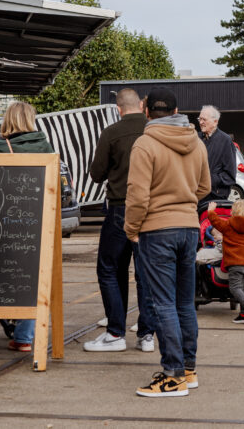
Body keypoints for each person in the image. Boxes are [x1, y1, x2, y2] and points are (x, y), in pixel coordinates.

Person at [125, 88, 210, 398]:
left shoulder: (145, 144)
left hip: (157, 230)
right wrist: (183, 203)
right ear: (176, 111)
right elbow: (205, 186)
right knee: (184, 303)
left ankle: (172, 377)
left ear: (146, 111)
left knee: (162, 303)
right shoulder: (196, 142)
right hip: (189, 228)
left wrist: (132, 228)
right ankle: (188, 370)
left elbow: (137, 194)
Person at [0, 101, 52, 353]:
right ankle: (24, 338)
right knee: (32, 275)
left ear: (8, 120)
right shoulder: (46, 147)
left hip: (0, 222)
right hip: (36, 225)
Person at [83, 88, 155, 353]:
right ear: (142, 106)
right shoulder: (153, 131)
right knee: (146, 273)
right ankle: (147, 335)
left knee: (111, 269)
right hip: (151, 209)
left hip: (120, 207)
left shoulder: (111, 133)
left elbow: (96, 173)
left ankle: (115, 332)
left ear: (118, 109)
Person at [207, 199, 244, 322]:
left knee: (234, 288)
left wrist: (211, 211)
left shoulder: (228, 225)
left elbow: (215, 222)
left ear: (232, 212)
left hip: (235, 263)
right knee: (243, 289)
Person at [197, 104, 237, 216]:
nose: (201, 122)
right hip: (197, 196)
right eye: (199, 119)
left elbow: (230, 175)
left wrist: (208, 179)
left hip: (214, 199)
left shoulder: (225, 141)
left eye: (204, 119)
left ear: (215, 122)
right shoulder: (196, 138)